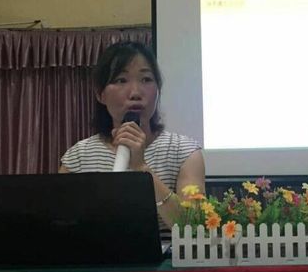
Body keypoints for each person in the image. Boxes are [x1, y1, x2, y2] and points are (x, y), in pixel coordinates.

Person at [59, 41, 205, 228]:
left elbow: (194, 228)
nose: (135, 93)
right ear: (100, 94)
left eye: (146, 79)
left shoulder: (184, 152)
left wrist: (141, 167)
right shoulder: (78, 156)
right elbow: (60, 226)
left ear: (158, 90)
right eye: (121, 80)